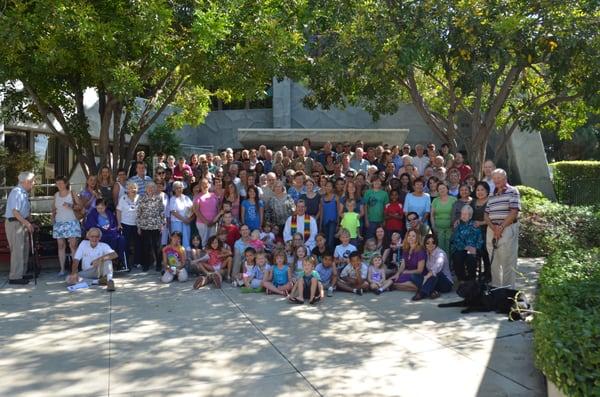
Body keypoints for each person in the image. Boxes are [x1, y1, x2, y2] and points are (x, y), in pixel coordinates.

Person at [484, 169, 520, 287]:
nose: (497, 181)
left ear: (505, 178)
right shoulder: (491, 194)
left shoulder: (513, 191)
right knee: (494, 262)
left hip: (508, 229)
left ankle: (508, 292)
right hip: (492, 230)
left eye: (499, 178)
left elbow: (514, 212)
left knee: (507, 261)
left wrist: (501, 228)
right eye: (495, 179)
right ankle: (496, 290)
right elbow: (486, 214)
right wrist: (494, 228)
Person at [4, 171, 35, 284]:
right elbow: (15, 212)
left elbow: (24, 211)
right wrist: (27, 223)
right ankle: (15, 276)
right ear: (26, 182)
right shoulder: (16, 192)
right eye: (32, 181)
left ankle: (22, 273)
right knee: (17, 250)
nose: (34, 183)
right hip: (15, 223)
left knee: (24, 249)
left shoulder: (23, 193)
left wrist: (29, 222)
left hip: (21, 223)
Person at [67, 227, 118, 292]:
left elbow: (115, 254)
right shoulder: (83, 243)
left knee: (108, 260)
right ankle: (98, 281)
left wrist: (99, 259)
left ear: (100, 238)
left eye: (97, 236)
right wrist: (73, 273)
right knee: (69, 279)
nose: (94, 238)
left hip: (99, 271)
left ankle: (109, 281)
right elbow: (76, 260)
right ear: (88, 237)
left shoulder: (104, 245)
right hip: (87, 272)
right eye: (92, 236)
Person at [83, 199, 127, 268]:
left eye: (101, 208)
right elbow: (90, 226)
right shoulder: (92, 214)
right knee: (111, 238)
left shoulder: (109, 213)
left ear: (105, 207)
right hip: (100, 234)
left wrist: (113, 229)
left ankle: (120, 260)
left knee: (121, 239)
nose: (99, 210)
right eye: (98, 208)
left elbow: (114, 225)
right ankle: (112, 259)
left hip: (111, 232)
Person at [52, 176, 81, 276]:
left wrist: (70, 206)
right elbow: (53, 209)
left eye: (61, 183)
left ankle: (75, 269)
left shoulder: (72, 193)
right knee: (61, 246)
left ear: (65, 184)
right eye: (57, 183)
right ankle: (62, 269)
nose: (59, 185)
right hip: (59, 223)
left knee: (73, 246)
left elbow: (80, 206)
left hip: (71, 222)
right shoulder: (56, 195)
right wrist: (53, 221)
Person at [410, 234, 454, 300]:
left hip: (445, 284)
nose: (430, 244)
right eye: (428, 243)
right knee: (413, 276)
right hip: (434, 282)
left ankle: (422, 293)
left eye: (433, 242)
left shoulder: (441, 253)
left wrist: (426, 277)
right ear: (425, 244)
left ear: (436, 243)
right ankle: (432, 292)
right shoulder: (427, 253)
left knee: (435, 273)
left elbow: (437, 267)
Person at [136, 182, 165, 272]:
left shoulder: (159, 198)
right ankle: (146, 265)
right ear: (146, 189)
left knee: (157, 246)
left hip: (156, 225)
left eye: (152, 187)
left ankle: (159, 264)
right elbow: (138, 213)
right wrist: (138, 227)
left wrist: (162, 224)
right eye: (149, 188)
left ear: (155, 189)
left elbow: (162, 212)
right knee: (146, 246)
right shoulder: (141, 198)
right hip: (145, 226)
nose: (150, 189)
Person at [451, 205, 484, 282]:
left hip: (473, 249)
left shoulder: (475, 225)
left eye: (465, 214)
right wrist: (465, 247)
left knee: (471, 257)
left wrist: (476, 248)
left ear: (470, 216)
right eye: (462, 214)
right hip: (461, 248)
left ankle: (471, 280)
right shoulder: (458, 225)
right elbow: (455, 239)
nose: (463, 216)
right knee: (457, 256)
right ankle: (462, 279)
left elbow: (480, 239)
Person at [116, 182, 141, 268]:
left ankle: (137, 262)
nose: (132, 190)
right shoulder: (122, 198)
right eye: (130, 188)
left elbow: (142, 213)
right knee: (125, 244)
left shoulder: (140, 198)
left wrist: (140, 226)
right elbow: (118, 211)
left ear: (137, 190)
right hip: (125, 224)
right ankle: (125, 264)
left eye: (134, 188)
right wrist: (119, 224)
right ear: (127, 190)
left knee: (138, 244)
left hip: (137, 225)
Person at [471, 181, 491, 282]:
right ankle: (476, 274)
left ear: (487, 191)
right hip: (474, 232)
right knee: (476, 253)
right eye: (478, 190)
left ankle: (488, 274)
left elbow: (492, 218)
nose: (480, 192)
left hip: (487, 230)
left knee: (486, 253)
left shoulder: (490, 201)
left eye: (482, 189)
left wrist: (481, 223)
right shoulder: (473, 202)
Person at [430, 181, 457, 256]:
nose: (442, 190)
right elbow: (432, 215)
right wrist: (433, 226)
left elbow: (457, 214)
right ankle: (441, 266)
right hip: (438, 229)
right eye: (440, 189)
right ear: (437, 191)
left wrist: (454, 226)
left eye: (443, 188)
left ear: (447, 189)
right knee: (440, 248)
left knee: (450, 248)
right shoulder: (435, 200)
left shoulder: (454, 199)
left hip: (451, 228)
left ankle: (450, 266)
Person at [168, 181, 194, 250]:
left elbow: (193, 209)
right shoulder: (172, 199)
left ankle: (186, 256)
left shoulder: (186, 198)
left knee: (186, 239)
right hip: (177, 223)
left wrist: (189, 220)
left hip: (186, 222)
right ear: (174, 189)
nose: (179, 189)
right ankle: (176, 256)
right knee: (176, 240)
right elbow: (173, 212)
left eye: (180, 188)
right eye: (177, 188)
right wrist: (184, 220)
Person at [318, 180, 339, 252]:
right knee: (326, 241)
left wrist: (338, 224)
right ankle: (327, 256)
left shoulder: (336, 197)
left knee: (330, 241)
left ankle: (331, 256)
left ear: (332, 188)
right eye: (327, 186)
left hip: (333, 222)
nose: (328, 187)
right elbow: (322, 213)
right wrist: (320, 226)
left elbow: (338, 211)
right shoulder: (322, 198)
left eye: (330, 186)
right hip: (325, 222)